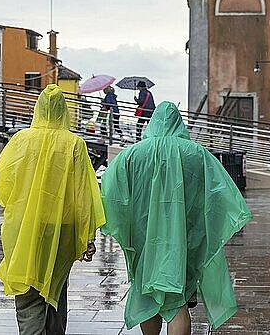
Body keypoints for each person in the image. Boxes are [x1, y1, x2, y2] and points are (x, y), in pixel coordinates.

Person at [101, 101, 252, 334]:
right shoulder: (196, 153)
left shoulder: (131, 155)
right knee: (177, 298)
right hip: (185, 237)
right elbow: (219, 192)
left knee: (147, 292)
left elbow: (110, 194)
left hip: (143, 238)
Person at [0, 84, 106, 335]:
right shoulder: (74, 144)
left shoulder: (20, 140)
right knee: (55, 287)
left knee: (27, 291)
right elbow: (83, 195)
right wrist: (87, 237)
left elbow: (3, 188)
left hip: (23, 226)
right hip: (61, 229)